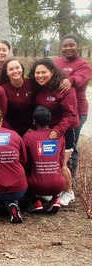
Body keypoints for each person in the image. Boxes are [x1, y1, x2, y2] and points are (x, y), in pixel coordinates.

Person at [28, 58, 79, 206]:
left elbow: (71, 115)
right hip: (46, 131)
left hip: (65, 131)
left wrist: (58, 130)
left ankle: (69, 192)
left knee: (60, 163)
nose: (40, 75)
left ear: (52, 72)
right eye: (37, 73)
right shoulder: (39, 87)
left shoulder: (64, 88)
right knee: (48, 162)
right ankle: (52, 193)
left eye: (44, 72)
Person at [54, 33, 92, 187]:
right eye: (65, 45)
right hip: (58, 110)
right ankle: (58, 175)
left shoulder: (83, 65)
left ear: (78, 46)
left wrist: (70, 80)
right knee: (60, 144)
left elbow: (81, 78)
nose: (68, 48)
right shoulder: (57, 62)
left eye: (71, 45)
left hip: (77, 112)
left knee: (71, 146)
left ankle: (72, 180)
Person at [23, 106, 66, 213]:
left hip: (36, 185)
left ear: (34, 121)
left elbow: (25, 162)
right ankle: (56, 199)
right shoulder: (59, 136)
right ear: (50, 119)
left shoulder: (28, 137)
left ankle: (35, 201)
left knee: (22, 175)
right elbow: (61, 160)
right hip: (59, 184)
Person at [0, 58, 35, 136]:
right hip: (10, 129)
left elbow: (37, 107)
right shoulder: (2, 89)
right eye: (11, 69)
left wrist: (34, 127)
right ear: (7, 72)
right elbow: (1, 114)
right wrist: (10, 132)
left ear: (22, 69)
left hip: (31, 128)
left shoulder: (31, 84)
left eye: (17, 67)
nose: (15, 71)